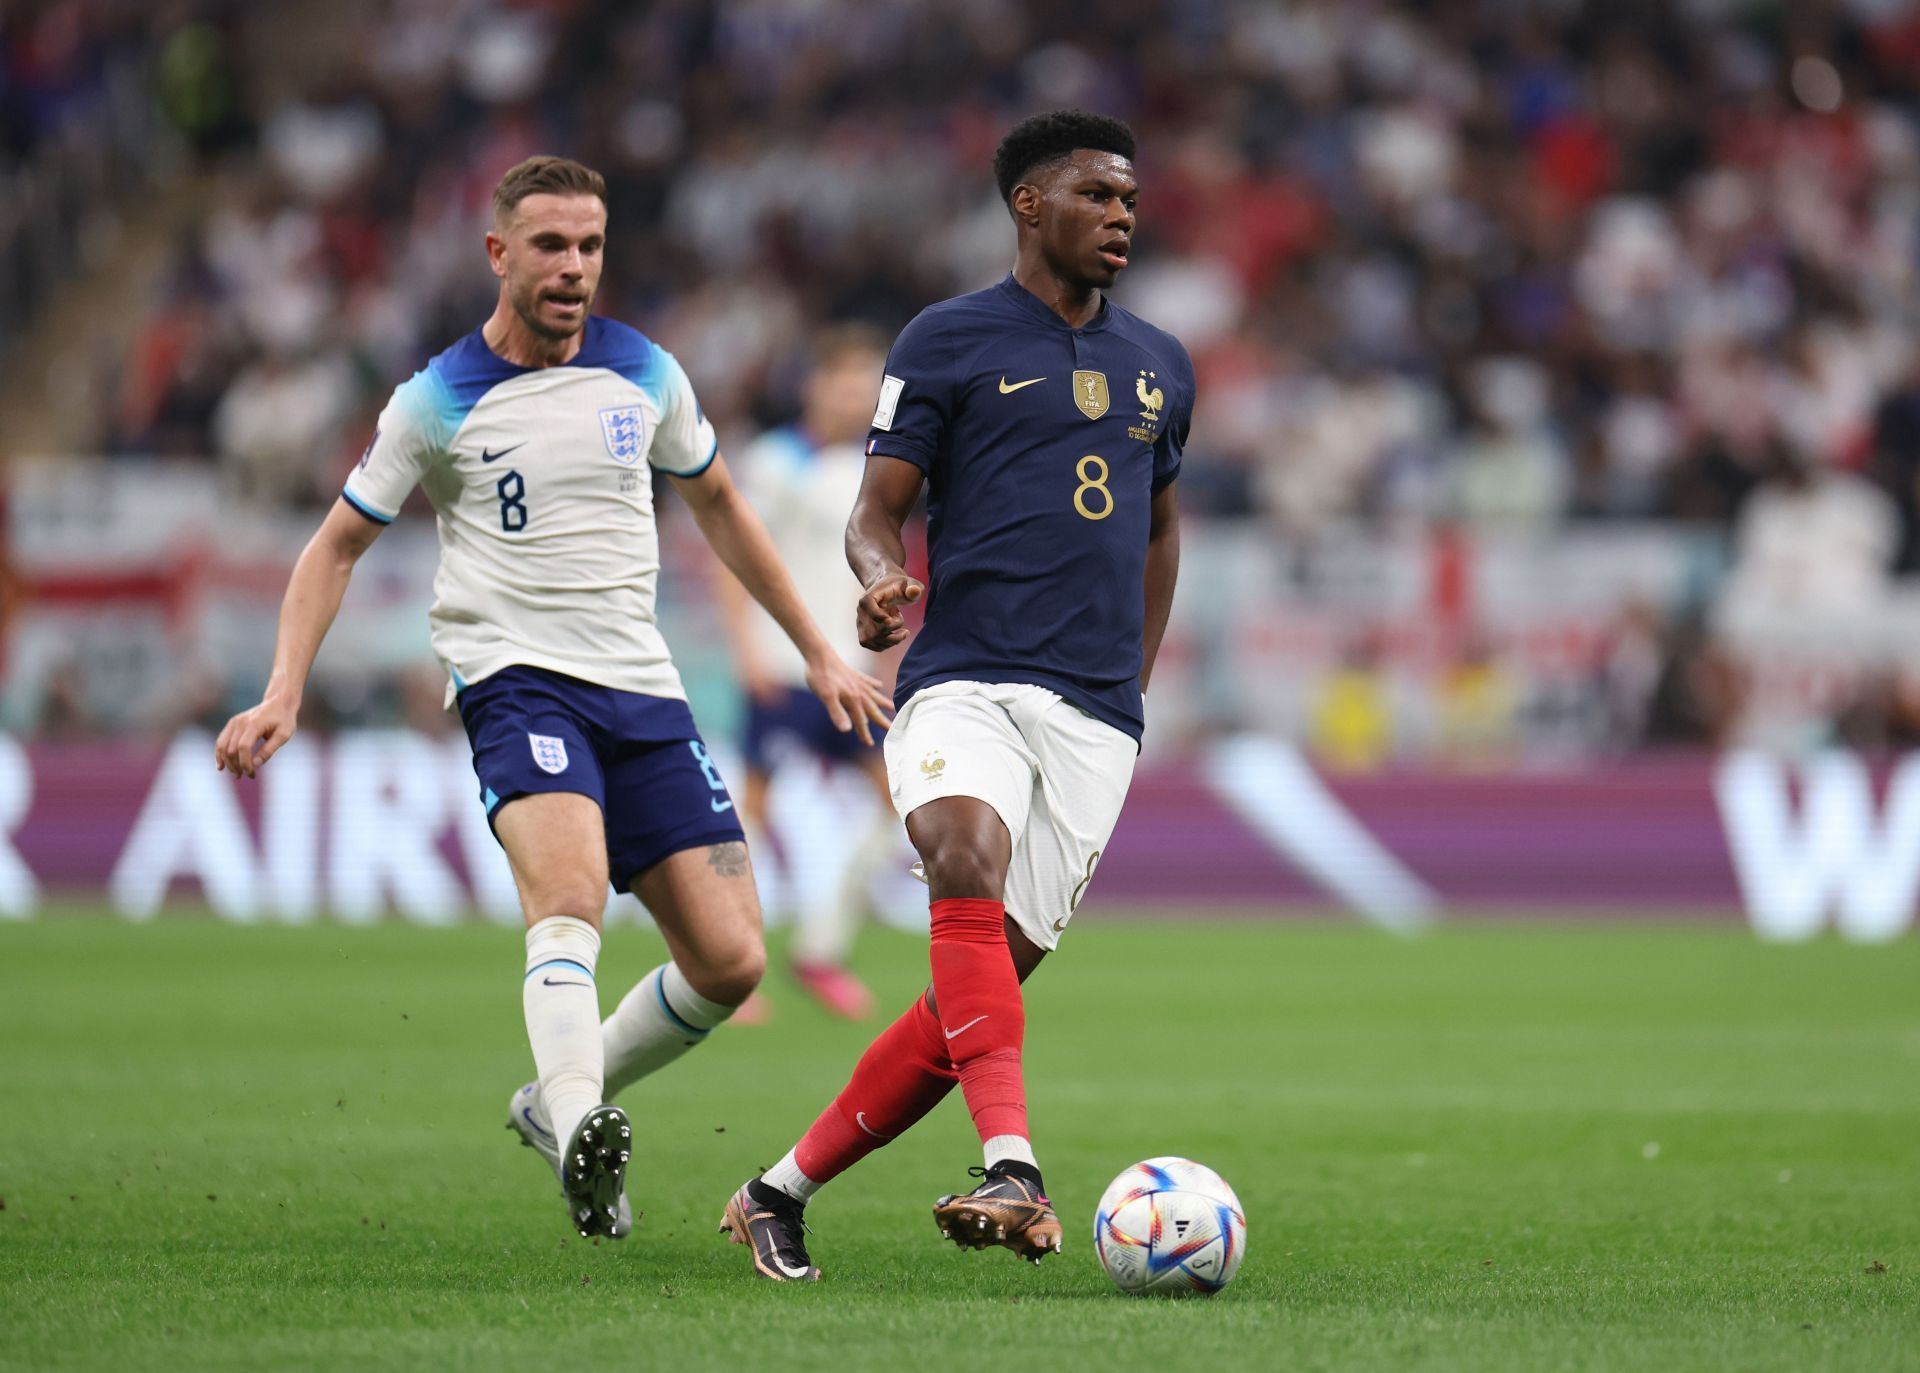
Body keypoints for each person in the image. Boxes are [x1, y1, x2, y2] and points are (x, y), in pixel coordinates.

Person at [214, 155, 891, 1242]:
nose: (574, 267)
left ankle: (558, 1098)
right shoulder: (434, 399)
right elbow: (335, 545)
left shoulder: (647, 373)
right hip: (515, 679)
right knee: (570, 889)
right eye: (550, 246)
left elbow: (720, 506)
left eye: (589, 247)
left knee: (730, 958)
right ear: (499, 253)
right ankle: (583, 1117)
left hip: (643, 686)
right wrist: (282, 689)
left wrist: (815, 647)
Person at [719, 110, 1190, 1281]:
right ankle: (1016, 1166)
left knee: (970, 998)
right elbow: (877, 509)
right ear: (1030, 206)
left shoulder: (1162, 365)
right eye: (1097, 195)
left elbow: (1161, 529)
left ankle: (775, 1188)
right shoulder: (947, 338)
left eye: (1130, 199)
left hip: (1095, 716)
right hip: (964, 677)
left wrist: (1130, 685)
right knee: (961, 858)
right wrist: (880, 582)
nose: (1122, 216)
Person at [714, 324, 904, 1019]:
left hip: (847, 669)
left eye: (866, 385)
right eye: (843, 381)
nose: (854, 396)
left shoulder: (873, 466)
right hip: (781, 665)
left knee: (897, 804)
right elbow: (734, 554)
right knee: (751, 815)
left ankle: (819, 950)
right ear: (815, 387)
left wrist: (878, 648)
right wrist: (742, 648)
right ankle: (724, 960)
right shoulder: (776, 462)